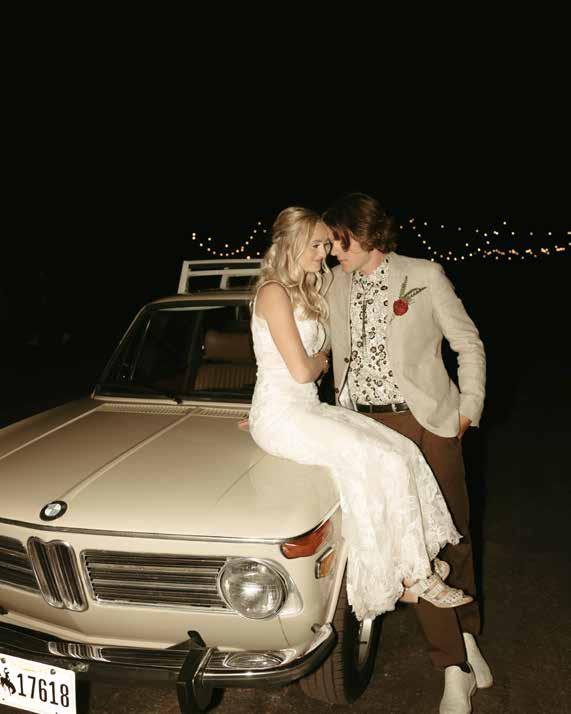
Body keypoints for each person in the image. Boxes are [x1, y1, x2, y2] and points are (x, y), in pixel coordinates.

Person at [247, 205, 473, 625]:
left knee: (402, 452)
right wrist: (309, 370)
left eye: (329, 244)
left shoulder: (311, 286)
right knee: (380, 460)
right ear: (294, 243)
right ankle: (412, 575)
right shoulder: (276, 291)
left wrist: (468, 408)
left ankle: (414, 561)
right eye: (318, 245)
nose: (326, 253)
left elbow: (299, 356)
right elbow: (301, 370)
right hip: (286, 412)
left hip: (306, 409)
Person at [322, 193, 492, 714]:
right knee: (411, 544)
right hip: (366, 429)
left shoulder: (424, 275)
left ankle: (467, 635)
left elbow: (468, 343)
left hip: (425, 422)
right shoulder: (334, 284)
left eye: (339, 242)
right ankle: (452, 667)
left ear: (365, 234)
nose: (333, 252)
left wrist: (467, 410)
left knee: (453, 534)